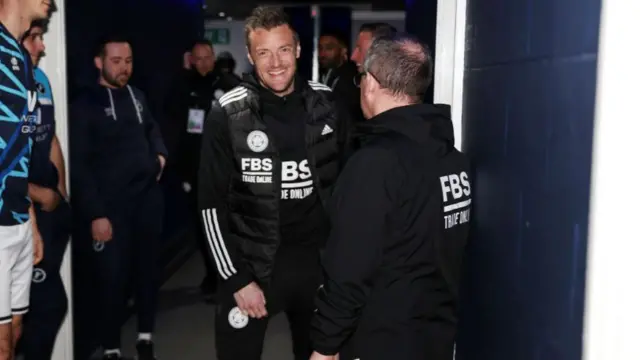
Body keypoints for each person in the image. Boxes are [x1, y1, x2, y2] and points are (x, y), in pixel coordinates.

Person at [197, 6, 348, 360]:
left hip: (316, 265)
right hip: (252, 267)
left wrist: (344, 266)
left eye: (283, 49)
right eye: (263, 52)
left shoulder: (327, 103)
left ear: (297, 50)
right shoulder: (228, 113)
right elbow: (210, 205)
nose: (275, 62)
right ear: (250, 56)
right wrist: (235, 279)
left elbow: (346, 187)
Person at [310, 33, 472, 360]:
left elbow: (349, 268)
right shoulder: (453, 160)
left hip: (383, 341)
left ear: (369, 83)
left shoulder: (374, 164)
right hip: (434, 337)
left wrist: (325, 347)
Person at [69, 35, 167, 360]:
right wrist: (96, 214)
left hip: (147, 203)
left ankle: (145, 337)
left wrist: (160, 157)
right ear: (99, 62)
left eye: (128, 61)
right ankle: (111, 346)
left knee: (148, 274)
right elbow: (79, 166)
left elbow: (153, 129)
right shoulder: (85, 105)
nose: (123, 67)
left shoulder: (137, 96)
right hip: (111, 211)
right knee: (111, 280)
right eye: (116, 61)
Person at [166, 39, 240, 301]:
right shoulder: (183, 88)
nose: (203, 62)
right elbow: (176, 130)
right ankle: (212, 275)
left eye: (207, 57)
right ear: (192, 60)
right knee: (203, 228)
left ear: (213, 56)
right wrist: (182, 171)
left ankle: (228, 278)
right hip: (196, 171)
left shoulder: (229, 86)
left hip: (225, 171)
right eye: (198, 58)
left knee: (225, 226)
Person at [17, 20, 72, 360]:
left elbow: (49, 137)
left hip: (50, 211)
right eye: (34, 38)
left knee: (49, 307)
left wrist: (61, 194)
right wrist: (40, 196)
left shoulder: (41, 80)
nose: (42, 46)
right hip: (20, 212)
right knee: (30, 314)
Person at [0, 0, 49, 358]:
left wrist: (30, 219)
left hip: (17, 219)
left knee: (14, 334)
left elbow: (23, 149)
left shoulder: (21, 58)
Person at [318, 30, 361, 125]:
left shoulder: (353, 77)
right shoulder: (322, 74)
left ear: (343, 50)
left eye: (329, 48)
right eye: (320, 48)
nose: (322, 54)